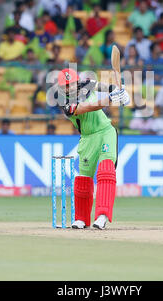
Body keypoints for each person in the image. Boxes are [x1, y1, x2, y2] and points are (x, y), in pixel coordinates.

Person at [56, 68, 130, 230]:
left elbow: (106, 87)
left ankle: (102, 215)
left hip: (105, 132)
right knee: (83, 178)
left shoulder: (87, 84)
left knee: (106, 170)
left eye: (71, 83)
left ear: (77, 81)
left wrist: (119, 92)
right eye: (65, 85)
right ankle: (81, 218)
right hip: (87, 138)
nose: (69, 88)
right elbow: (88, 108)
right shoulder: (63, 101)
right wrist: (110, 99)